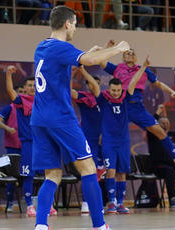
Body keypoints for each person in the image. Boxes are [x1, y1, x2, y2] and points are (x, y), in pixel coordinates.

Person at [31, 6, 129, 230]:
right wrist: (118, 49)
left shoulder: (42, 47)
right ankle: (100, 225)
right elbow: (89, 61)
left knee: (52, 175)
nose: (75, 27)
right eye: (75, 24)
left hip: (39, 118)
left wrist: (89, 53)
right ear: (67, 24)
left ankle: (41, 226)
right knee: (88, 169)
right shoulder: (61, 47)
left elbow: (72, 61)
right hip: (60, 118)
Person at [100, 47, 175, 170]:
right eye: (127, 53)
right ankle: (100, 164)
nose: (130, 55)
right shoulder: (117, 68)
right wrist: (107, 48)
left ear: (136, 57)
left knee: (160, 132)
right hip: (122, 106)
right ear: (123, 57)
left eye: (132, 53)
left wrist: (171, 92)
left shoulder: (143, 70)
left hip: (138, 108)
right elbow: (101, 61)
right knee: (105, 134)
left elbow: (158, 83)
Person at [98, 57, 149, 214]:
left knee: (122, 173)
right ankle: (111, 202)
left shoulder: (125, 98)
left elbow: (133, 82)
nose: (115, 93)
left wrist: (144, 67)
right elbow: (94, 87)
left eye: (118, 90)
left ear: (121, 90)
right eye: (113, 90)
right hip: (108, 141)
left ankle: (120, 203)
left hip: (123, 142)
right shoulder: (103, 99)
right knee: (111, 171)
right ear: (109, 89)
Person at [5, 66, 46, 217]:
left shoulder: (43, 100)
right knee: (28, 175)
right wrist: (8, 75)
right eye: (29, 85)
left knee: (48, 173)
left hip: (43, 143)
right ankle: (29, 205)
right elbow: (10, 92)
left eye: (35, 85)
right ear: (25, 88)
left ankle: (48, 205)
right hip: (28, 142)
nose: (33, 88)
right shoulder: (21, 100)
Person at [71, 66, 105, 214]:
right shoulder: (84, 97)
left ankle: (102, 203)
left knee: (101, 173)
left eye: (96, 83)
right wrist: (72, 73)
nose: (93, 86)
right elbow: (69, 91)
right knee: (89, 172)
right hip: (88, 140)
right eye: (90, 83)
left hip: (103, 140)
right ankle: (86, 203)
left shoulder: (104, 98)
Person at [0, 85, 25, 212]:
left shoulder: (29, 107)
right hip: (13, 148)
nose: (22, 94)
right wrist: (8, 128)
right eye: (20, 92)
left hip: (27, 147)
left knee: (28, 176)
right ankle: (10, 203)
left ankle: (28, 202)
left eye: (24, 92)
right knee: (12, 177)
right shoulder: (9, 108)